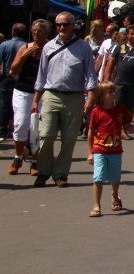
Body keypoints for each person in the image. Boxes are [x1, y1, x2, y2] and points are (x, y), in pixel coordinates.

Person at [31, 13, 98, 187]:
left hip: (74, 97)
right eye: (58, 25)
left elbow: (90, 74)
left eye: (65, 24)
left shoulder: (83, 48)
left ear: (73, 25)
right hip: (51, 95)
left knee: (69, 139)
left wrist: (90, 96)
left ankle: (60, 174)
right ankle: (43, 171)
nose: (62, 28)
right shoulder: (48, 47)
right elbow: (41, 74)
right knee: (46, 135)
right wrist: (35, 100)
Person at [85, 81, 132, 217]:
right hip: (99, 150)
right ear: (101, 95)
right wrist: (90, 152)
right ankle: (96, 205)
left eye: (113, 91)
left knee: (115, 177)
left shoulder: (120, 109)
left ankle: (115, 195)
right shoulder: (96, 111)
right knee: (98, 177)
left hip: (115, 151)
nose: (113, 93)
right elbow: (91, 132)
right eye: (109, 92)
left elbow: (127, 126)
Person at [7, 20, 48, 175]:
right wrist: (24, 56)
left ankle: (35, 161)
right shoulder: (25, 47)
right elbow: (13, 69)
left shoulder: (50, 48)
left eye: (40, 31)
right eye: (34, 30)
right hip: (23, 92)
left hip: (43, 93)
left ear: (46, 33)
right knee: (20, 125)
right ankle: (18, 157)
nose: (36, 33)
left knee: (37, 128)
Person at [106, 26, 134, 117]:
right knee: (118, 107)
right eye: (131, 34)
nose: (133, 36)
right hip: (119, 83)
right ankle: (120, 128)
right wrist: (107, 78)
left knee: (131, 108)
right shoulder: (120, 46)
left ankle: (126, 128)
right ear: (127, 35)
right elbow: (111, 62)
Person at [0, 22, 27, 141]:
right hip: (21, 77)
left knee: (4, 103)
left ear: (12, 32)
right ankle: (15, 128)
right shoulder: (26, 46)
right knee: (19, 105)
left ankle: (2, 130)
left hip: (6, 77)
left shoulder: (4, 45)